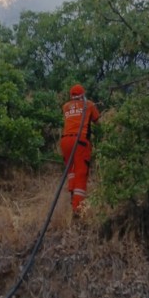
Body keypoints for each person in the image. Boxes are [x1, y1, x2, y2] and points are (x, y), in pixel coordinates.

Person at [59, 83, 101, 215]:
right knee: (81, 173)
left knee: (71, 170)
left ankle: (72, 192)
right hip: (80, 141)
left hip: (65, 141)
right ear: (83, 94)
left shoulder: (65, 107)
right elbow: (98, 122)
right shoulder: (89, 104)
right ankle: (78, 209)